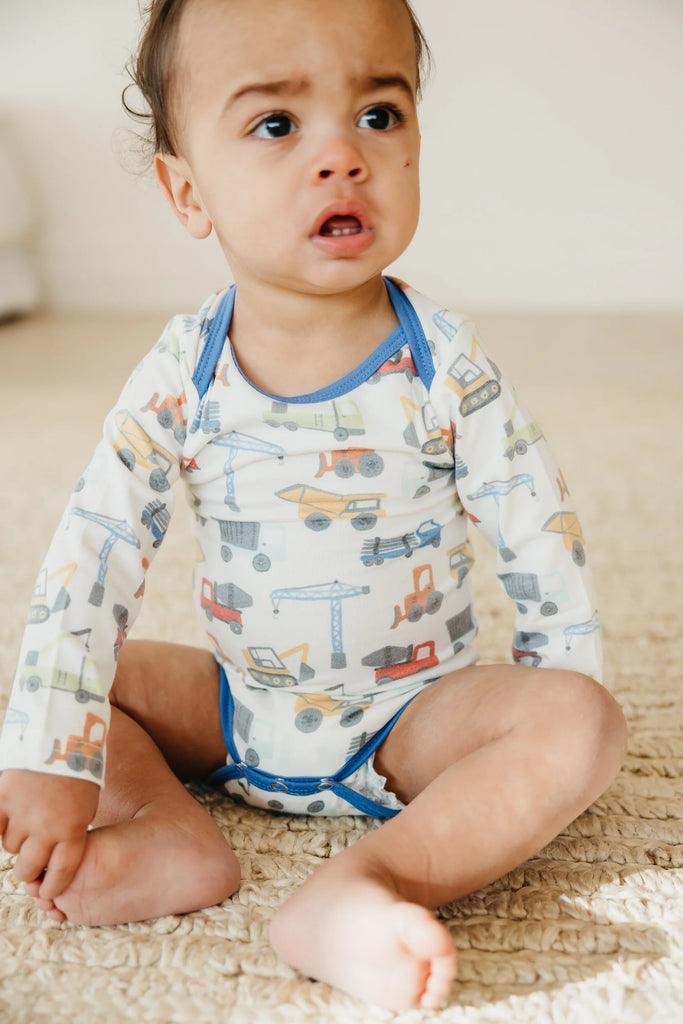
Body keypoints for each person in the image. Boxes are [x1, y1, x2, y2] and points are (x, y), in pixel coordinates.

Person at [0, 0, 627, 1010]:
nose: (341, 156)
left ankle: (368, 883)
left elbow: (534, 526)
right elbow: (97, 545)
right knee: (63, 687)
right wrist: (52, 752)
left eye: (378, 115)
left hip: (410, 724)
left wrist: (538, 731)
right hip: (234, 708)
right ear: (187, 191)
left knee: (581, 721)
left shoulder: (442, 363)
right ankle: (168, 832)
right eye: (276, 124)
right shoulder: (181, 373)